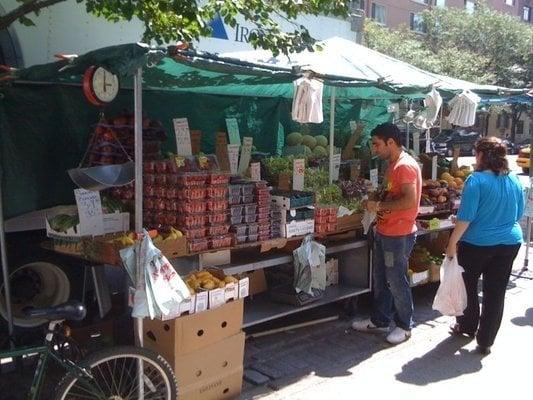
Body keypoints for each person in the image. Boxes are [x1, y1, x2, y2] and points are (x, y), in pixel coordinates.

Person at [445, 137, 523, 355]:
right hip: (509, 242)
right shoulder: (514, 180)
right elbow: (518, 214)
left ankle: (467, 326)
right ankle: (485, 341)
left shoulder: (476, 180)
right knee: (495, 292)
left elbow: (465, 218)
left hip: (477, 244)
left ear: (481, 156)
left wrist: (452, 244)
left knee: (467, 285)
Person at [352, 123, 422, 345]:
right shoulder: (392, 165)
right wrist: (375, 197)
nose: (374, 149)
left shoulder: (404, 166)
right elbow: (392, 194)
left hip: (398, 235)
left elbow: (410, 200)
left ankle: (404, 325)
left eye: (377, 144)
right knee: (381, 279)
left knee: (395, 280)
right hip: (385, 230)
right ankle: (380, 320)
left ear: (390, 142)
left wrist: (378, 206)